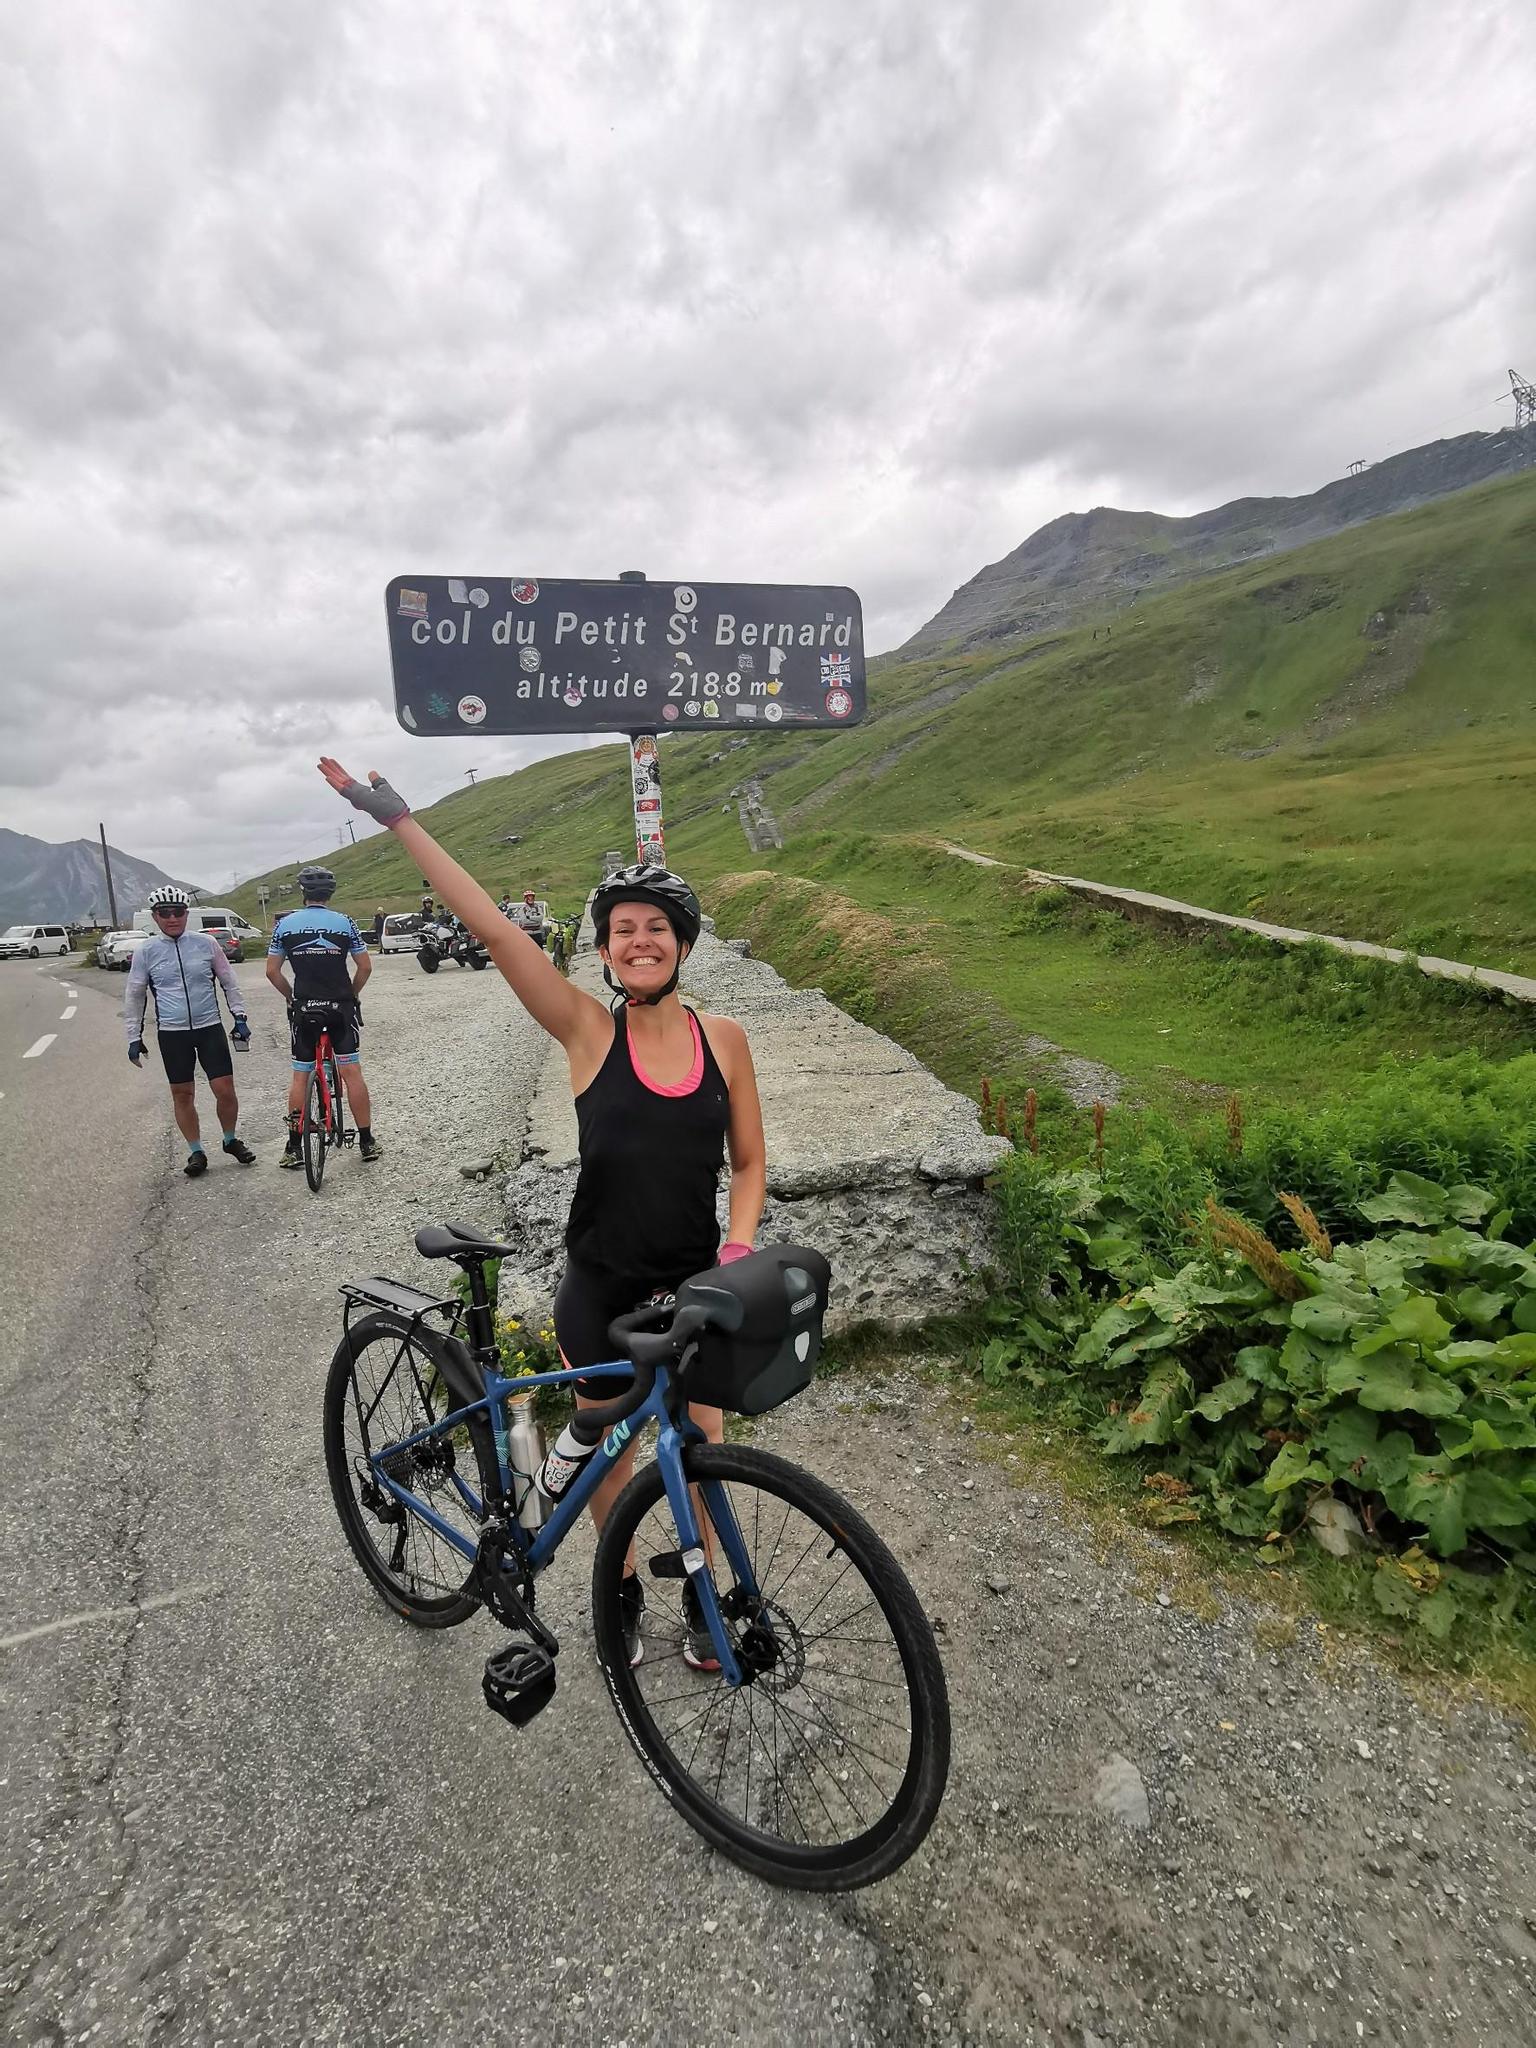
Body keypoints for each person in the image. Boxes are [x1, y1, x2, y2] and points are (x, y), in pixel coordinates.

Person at [318, 758, 765, 1671]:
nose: (639, 940)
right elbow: (490, 923)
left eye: (656, 927)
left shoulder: (725, 1040)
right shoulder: (585, 1028)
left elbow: (750, 1163)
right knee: (606, 1451)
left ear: (683, 945)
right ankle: (622, 1586)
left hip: (693, 1282)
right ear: (604, 952)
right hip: (602, 1286)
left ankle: (706, 1599)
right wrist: (399, 819)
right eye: (622, 930)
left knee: (704, 1438)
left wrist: (737, 1249)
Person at [125, 885, 256, 1176]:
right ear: (155, 916)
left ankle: (230, 1140)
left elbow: (229, 982)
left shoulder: (206, 944)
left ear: (187, 914)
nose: (172, 918)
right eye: (165, 913)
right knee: (182, 1094)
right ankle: (196, 1151)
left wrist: (240, 1016)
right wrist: (134, 1036)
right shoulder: (146, 951)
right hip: (173, 1033)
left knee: (225, 1090)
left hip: (209, 1027)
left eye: (178, 912)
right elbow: (135, 995)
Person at [265, 865, 382, 1166]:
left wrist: (291, 997)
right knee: (351, 1072)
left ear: (303, 892)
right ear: (330, 893)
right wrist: (352, 994)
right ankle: (367, 1142)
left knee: (300, 1075)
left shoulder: (285, 925)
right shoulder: (345, 922)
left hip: (305, 1006)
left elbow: (272, 972)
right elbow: (365, 967)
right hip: (339, 1006)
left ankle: (293, 1148)